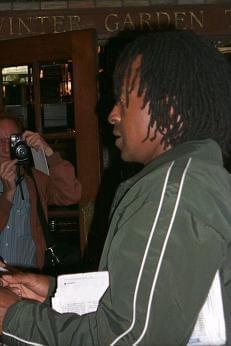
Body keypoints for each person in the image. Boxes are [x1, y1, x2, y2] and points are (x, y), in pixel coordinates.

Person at [0, 29, 231, 345]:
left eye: (123, 100)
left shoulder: (173, 191)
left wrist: (12, 318)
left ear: (169, 107)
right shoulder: (185, 179)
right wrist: (53, 292)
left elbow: (131, 337)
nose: (111, 115)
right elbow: (145, 299)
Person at [0, 113, 81, 269]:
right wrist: (8, 195)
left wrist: (48, 152)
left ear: (21, 143)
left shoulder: (34, 180)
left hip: (28, 280)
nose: (5, 147)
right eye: (0, 141)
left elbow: (71, 194)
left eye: (11, 140)